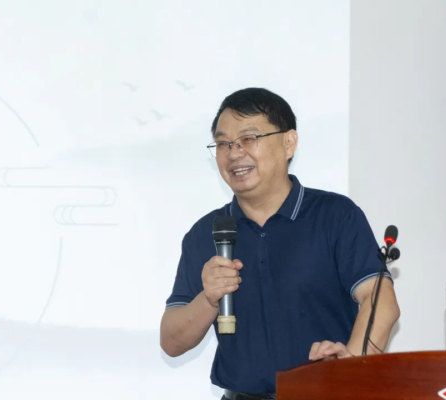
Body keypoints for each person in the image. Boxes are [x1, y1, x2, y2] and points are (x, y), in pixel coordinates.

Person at [160, 88, 400, 400]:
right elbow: (171, 341)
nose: (234, 153)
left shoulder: (335, 216)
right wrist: (208, 298)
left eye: (248, 138)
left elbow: (381, 301)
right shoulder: (207, 232)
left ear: (289, 143)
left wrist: (351, 365)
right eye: (223, 143)